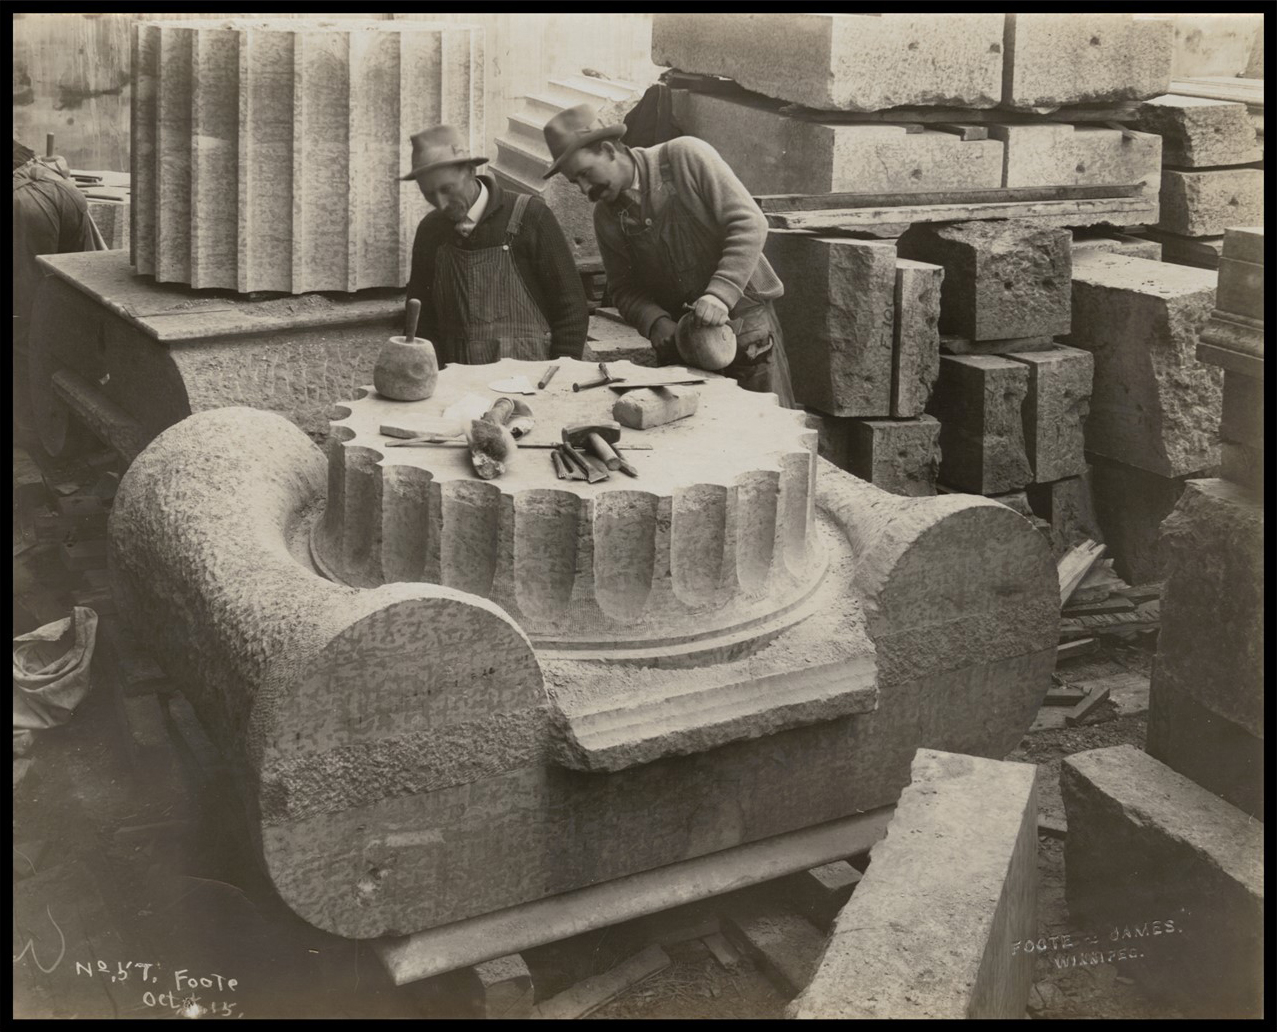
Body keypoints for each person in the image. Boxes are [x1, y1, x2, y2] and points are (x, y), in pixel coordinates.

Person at [542, 105, 795, 407]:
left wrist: (720, 293)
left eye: (585, 174)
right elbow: (623, 289)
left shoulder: (684, 157)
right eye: (575, 182)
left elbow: (749, 222)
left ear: (609, 149)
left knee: (768, 432)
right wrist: (654, 321)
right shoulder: (607, 218)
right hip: (682, 344)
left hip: (744, 327)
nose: (585, 189)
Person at [402, 125, 588, 366]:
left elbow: (572, 311)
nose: (440, 203)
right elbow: (422, 320)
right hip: (458, 388)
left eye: (447, 189)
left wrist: (559, 377)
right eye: (429, 194)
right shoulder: (431, 231)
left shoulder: (531, 216)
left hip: (529, 384)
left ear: (469, 171)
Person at [12, 138, 102, 440]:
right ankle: (76, 422)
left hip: (24, 202)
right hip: (60, 186)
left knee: (23, 320)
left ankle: (32, 430)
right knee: (75, 300)